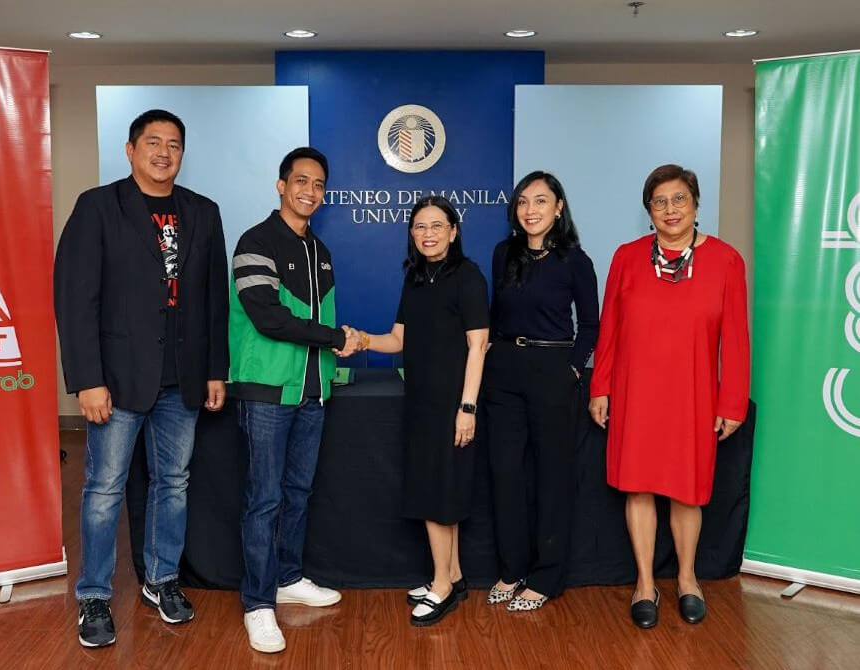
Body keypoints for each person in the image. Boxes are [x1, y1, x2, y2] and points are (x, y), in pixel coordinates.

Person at [54, 109, 229, 648]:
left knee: (172, 485)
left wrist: (216, 370)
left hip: (184, 378)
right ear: (130, 150)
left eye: (174, 144)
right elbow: (75, 298)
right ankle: (94, 595)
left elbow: (213, 301)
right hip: (117, 378)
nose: (163, 152)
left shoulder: (203, 212)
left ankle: (161, 579)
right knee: (103, 489)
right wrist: (87, 379)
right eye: (152, 142)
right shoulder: (98, 208)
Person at [588, 164, 749, 628]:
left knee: (686, 492)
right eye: (659, 202)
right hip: (636, 393)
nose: (670, 209)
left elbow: (735, 340)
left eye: (679, 199)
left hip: (693, 395)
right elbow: (610, 331)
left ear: (696, 204)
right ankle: (644, 583)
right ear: (649, 212)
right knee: (637, 486)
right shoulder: (626, 257)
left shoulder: (725, 261)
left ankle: (687, 578)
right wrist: (601, 386)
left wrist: (731, 402)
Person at [229, 147, 358, 654]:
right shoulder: (254, 241)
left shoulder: (320, 251)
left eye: (319, 184)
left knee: (298, 492)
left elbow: (317, 317)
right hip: (267, 392)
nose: (310, 190)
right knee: (264, 499)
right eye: (301, 181)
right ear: (281, 185)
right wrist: (334, 337)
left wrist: (331, 362)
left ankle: (287, 578)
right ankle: (258, 604)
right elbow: (267, 317)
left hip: (312, 392)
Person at [349, 195, 489, 626]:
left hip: (452, 402)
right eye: (419, 227)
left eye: (436, 226)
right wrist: (363, 340)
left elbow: (478, 345)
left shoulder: (467, 276)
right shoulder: (414, 277)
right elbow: (398, 340)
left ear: (453, 230)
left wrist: (467, 407)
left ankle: (441, 586)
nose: (427, 234)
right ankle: (455, 574)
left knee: (438, 495)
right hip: (421, 401)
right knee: (435, 487)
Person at [484, 171, 599, 611]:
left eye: (540, 201)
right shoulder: (503, 253)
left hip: (553, 370)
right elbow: (495, 316)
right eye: (522, 203)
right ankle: (512, 570)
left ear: (558, 208)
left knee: (552, 477)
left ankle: (546, 576)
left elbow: (591, 325)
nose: (530, 210)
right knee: (505, 475)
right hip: (505, 372)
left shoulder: (575, 260)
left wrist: (572, 369)